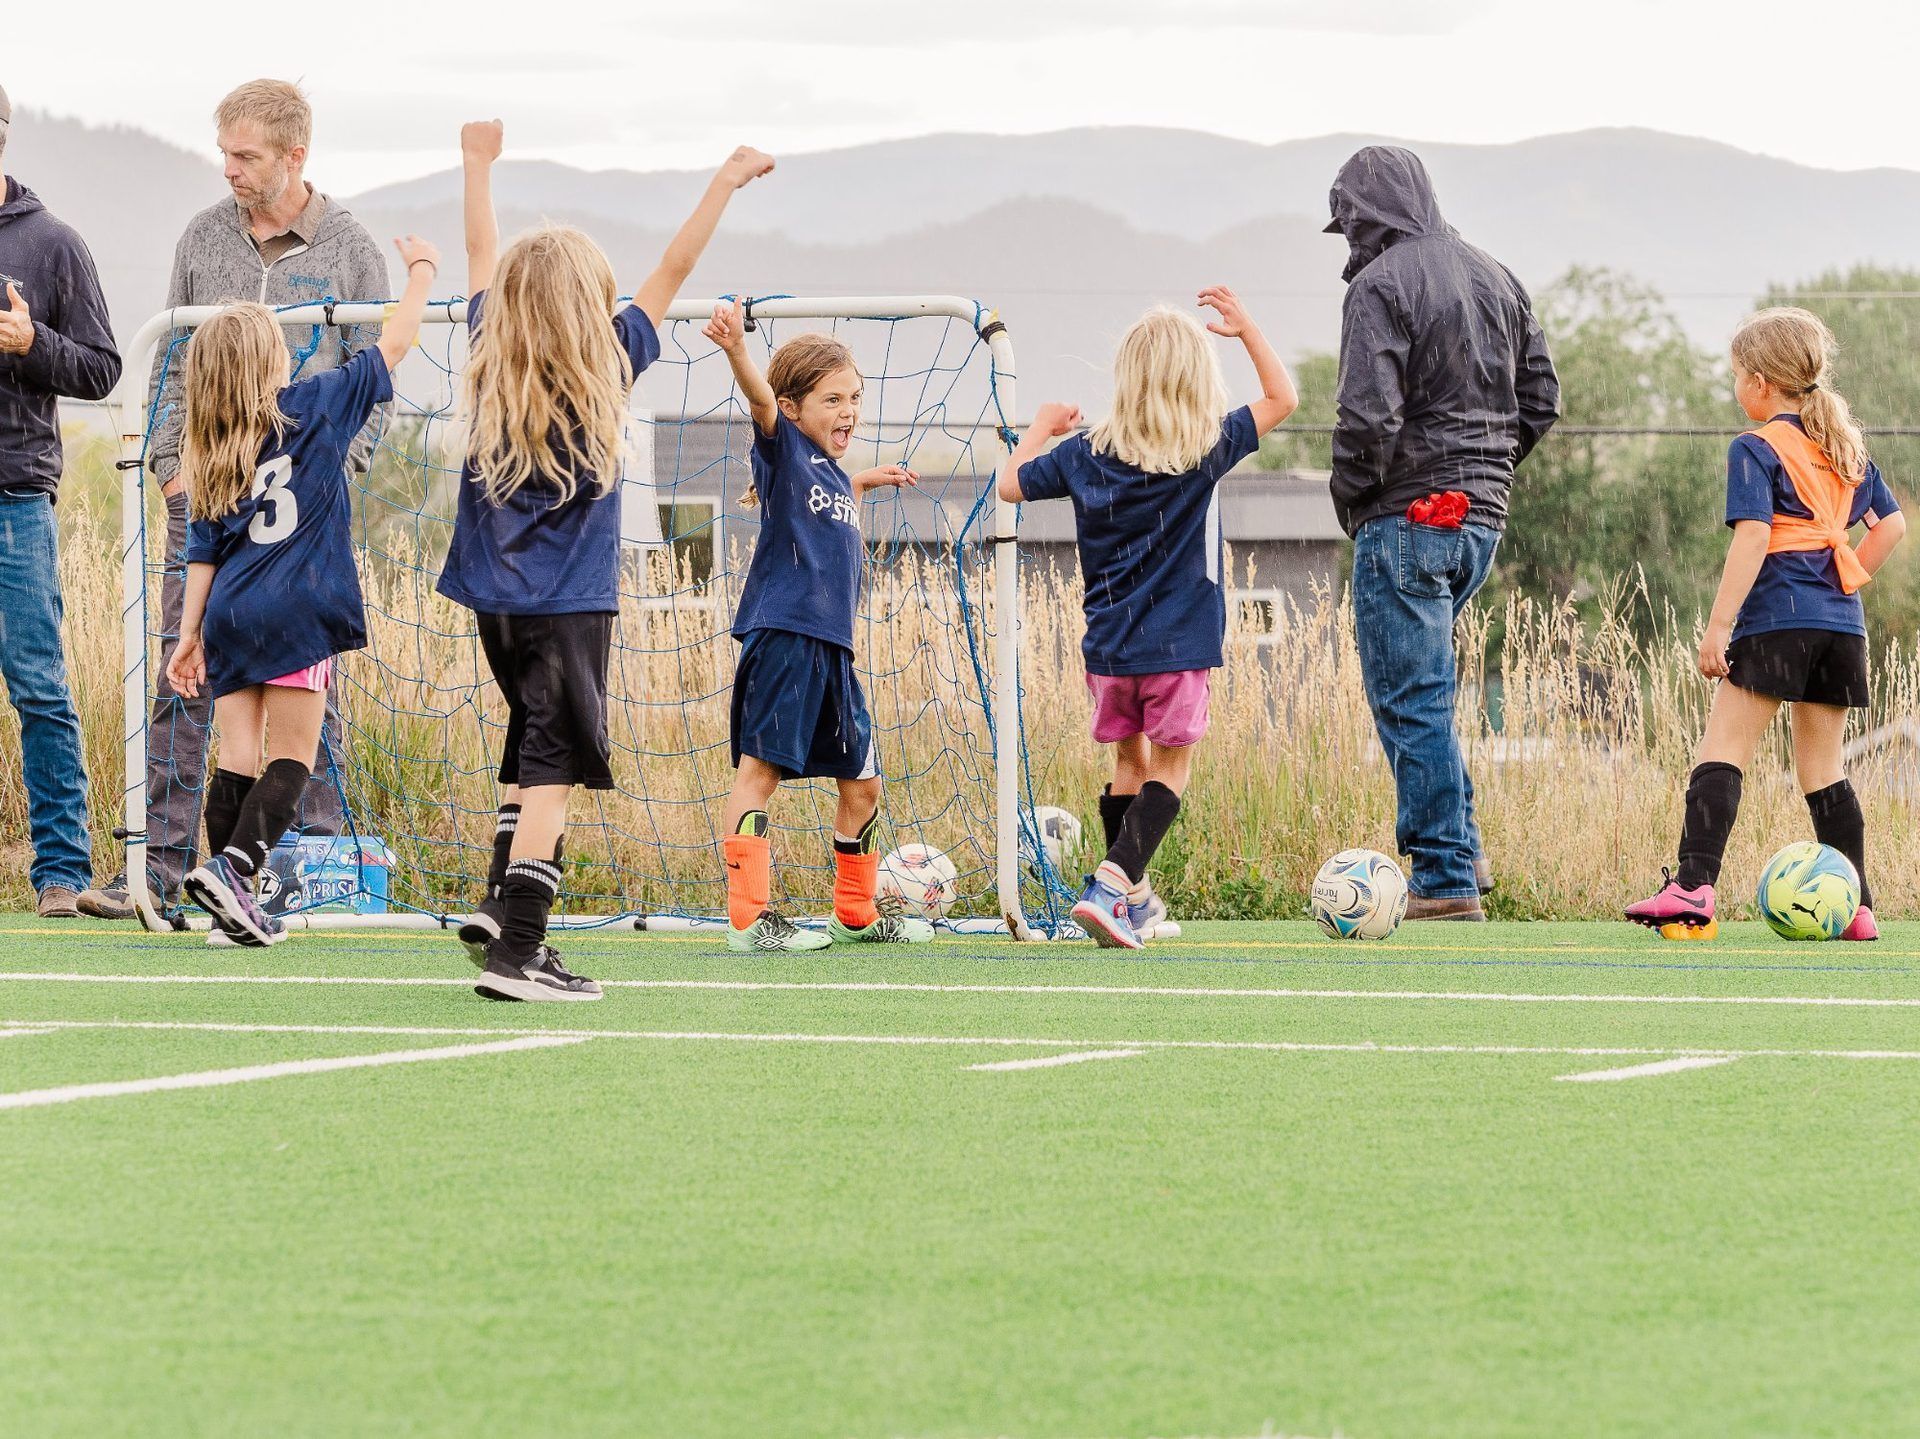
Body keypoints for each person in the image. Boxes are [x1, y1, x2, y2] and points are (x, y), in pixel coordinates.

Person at [443, 121, 772, 1000]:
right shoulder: (610, 359)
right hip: (569, 610)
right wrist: (728, 178)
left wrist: (476, 163)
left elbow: (480, 247)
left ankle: (494, 902)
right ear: (591, 303)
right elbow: (675, 267)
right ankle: (521, 949)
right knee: (553, 771)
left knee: (525, 749)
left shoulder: (486, 349)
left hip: (495, 611)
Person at [79, 78, 391, 922]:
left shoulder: (353, 249)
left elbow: (376, 378)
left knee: (304, 687)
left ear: (296, 158)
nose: (228, 169)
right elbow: (175, 362)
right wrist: (175, 467)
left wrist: (335, 473)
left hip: (304, 510)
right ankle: (161, 865)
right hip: (208, 497)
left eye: (245, 155)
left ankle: (309, 866)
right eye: (223, 152)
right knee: (190, 677)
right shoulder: (202, 238)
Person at [998, 289, 1296, 947]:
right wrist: (1247, 330)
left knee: (1127, 763)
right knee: (1171, 768)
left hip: (1107, 652)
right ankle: (1112, 882)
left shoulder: (1082, 454)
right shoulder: (1206, 447)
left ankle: (1129, 902)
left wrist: (1040, 428)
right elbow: (1283, 400)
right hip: (1178, 649)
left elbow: (1009, 484)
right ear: (1198, 379)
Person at [164, 238, 439, 946]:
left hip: (229, 613)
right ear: (269, 363)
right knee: (293, 760)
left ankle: (233, 908)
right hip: (298, 611)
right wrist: (421, 273)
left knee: (235, 758)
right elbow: (398, 340)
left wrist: (187, 635)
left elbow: (202, 550)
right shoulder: (315, 404)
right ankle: (234, 872)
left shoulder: (216, 444)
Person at [1325, 145, 1559, 921]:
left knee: (1412, 698)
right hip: (1479, 523)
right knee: (1427, 692)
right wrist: (1486, 472)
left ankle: (1445, 874)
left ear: (1368, 214)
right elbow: (1542, 400)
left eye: (1349, 221)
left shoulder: (1378, 287)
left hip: (1407, 518)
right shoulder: (1499, 275)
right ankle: (1461, 851)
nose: (1349, 237)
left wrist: (1356, 503)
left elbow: (1367, 419)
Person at [1627, 307, 1906, 941]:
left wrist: (1718, 626)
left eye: (1734, 377)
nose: (1735, 388)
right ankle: (1857, 909)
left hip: (1776, 620)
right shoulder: (1848, 448)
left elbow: (1754, 536)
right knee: (1824, 771)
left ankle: (1692, 888)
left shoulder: (1754, 447)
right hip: (1843, 628)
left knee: (1722, 752)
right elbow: (1892, 526)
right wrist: (1845, 575)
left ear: (1758, 380)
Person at [703, 302, 934, 953]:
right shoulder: (783, 451)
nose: (848, 410)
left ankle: (855, 912)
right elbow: (758, 400)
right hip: (784, 636)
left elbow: (827, 504)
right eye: (832, 398)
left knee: (863, 783)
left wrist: (859, 481)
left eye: (855, 397)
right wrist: (734, 350)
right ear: (794, 407)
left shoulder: (833, 475)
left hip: (834, 651)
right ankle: (750, 920)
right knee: (760, 774)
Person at [0, 82, 123, 918]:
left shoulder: (52, 245)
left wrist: (29, 341)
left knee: (39, 686)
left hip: (14, 498)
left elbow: (103, 366)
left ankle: (62, 873)